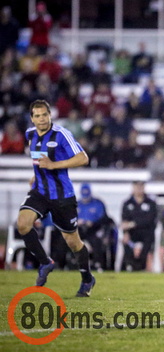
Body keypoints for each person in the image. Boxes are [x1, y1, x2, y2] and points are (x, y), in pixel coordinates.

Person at [17, 100, 95, 296]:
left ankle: (87, 279)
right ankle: (45, 262)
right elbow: (38, 158)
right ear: (32, 118)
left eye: (45, 115)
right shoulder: (30, 134)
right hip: (40, 192)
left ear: (50, 115)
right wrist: (37, 175)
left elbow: (83, 158)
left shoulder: (61, 134)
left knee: (73, 242)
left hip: (62, 196)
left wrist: (53, 165)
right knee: (23, 224)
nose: (42, 119)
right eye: (37, 116)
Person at [120, 181, 158, 271]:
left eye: (141, 187)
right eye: (137, 187)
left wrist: (133, 223)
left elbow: (150, 220)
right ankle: (130, 264)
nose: (139, 189)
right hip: (132, 233)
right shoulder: (127, 203)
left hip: (147, 232)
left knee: (148, 241)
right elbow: (124, 221)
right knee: (126, 241)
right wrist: (125, 232)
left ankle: (141, 266)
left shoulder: (151, 203)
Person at [77, 183, 113, 271]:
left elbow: (104, 218)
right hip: (79, 230)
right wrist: (78, 222)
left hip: (95, 229)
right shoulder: (76, 204)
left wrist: (93, 223)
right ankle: (73, 263)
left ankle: (98, 263)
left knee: (97, 241)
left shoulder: (98, 203)